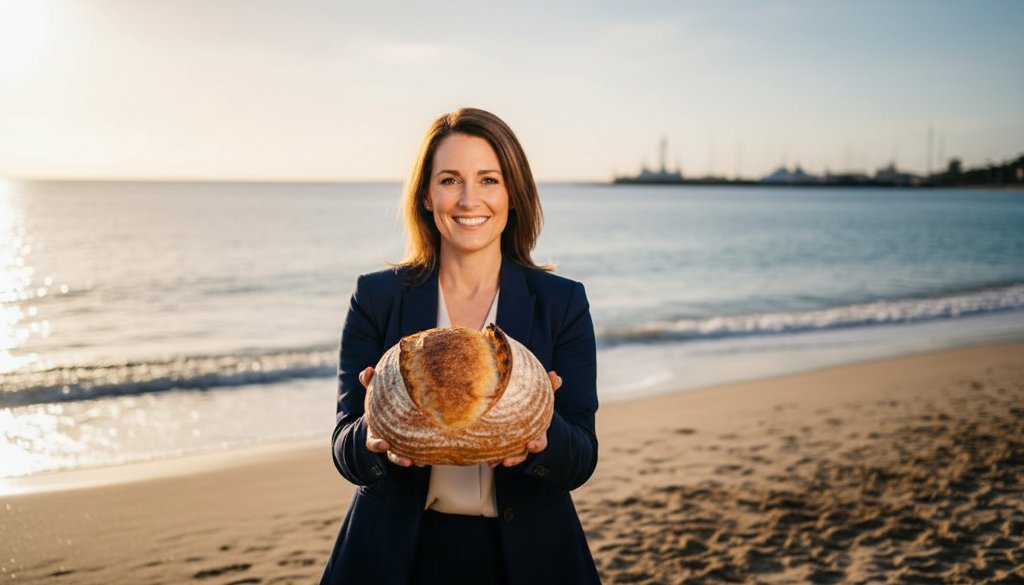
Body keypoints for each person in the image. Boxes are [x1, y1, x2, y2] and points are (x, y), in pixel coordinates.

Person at [319, 107, 601, 585]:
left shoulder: (560, 302)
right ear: (427, 196)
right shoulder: (377, 297)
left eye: (489, 180)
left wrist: (541, 432)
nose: (469, 199)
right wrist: (372, 435)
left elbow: (582, 457)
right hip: (394, 554)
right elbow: (344, 447)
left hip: (529, 555)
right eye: (450, 180)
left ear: (513, 192)